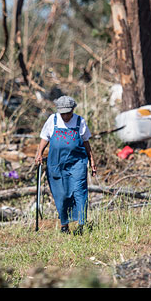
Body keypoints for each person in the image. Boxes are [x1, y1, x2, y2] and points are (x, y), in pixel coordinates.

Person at [34, 96, 96, 234]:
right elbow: (45, 138)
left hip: (77, 162)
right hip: (56, 163)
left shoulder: (80, 121)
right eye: (63, 113)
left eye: (68, 112)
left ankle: (81, 224)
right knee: (60, 194)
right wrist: (39, 153)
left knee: (79, 191)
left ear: (73, 110)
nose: (66, 116)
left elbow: (86, 141)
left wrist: (92, 160)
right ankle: (64, 224)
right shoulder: (53, 120)